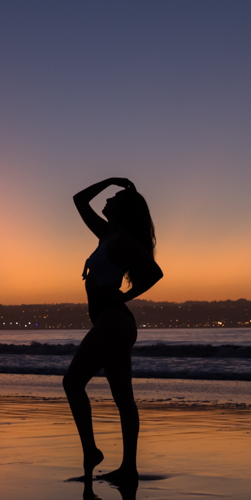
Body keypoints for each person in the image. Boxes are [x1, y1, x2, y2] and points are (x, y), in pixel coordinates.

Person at [63, 177, 163, 482]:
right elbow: (80, 200)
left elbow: (155, 272)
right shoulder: (107, 234)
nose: (108, 200)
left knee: (72, 382)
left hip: (113, 321)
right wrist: (112, 181)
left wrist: (123, 296)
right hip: (111, 322)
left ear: (123, 209)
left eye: (114, 197)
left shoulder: (121, 240)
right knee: (123, 398)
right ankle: (128, 468)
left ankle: (92, 452)